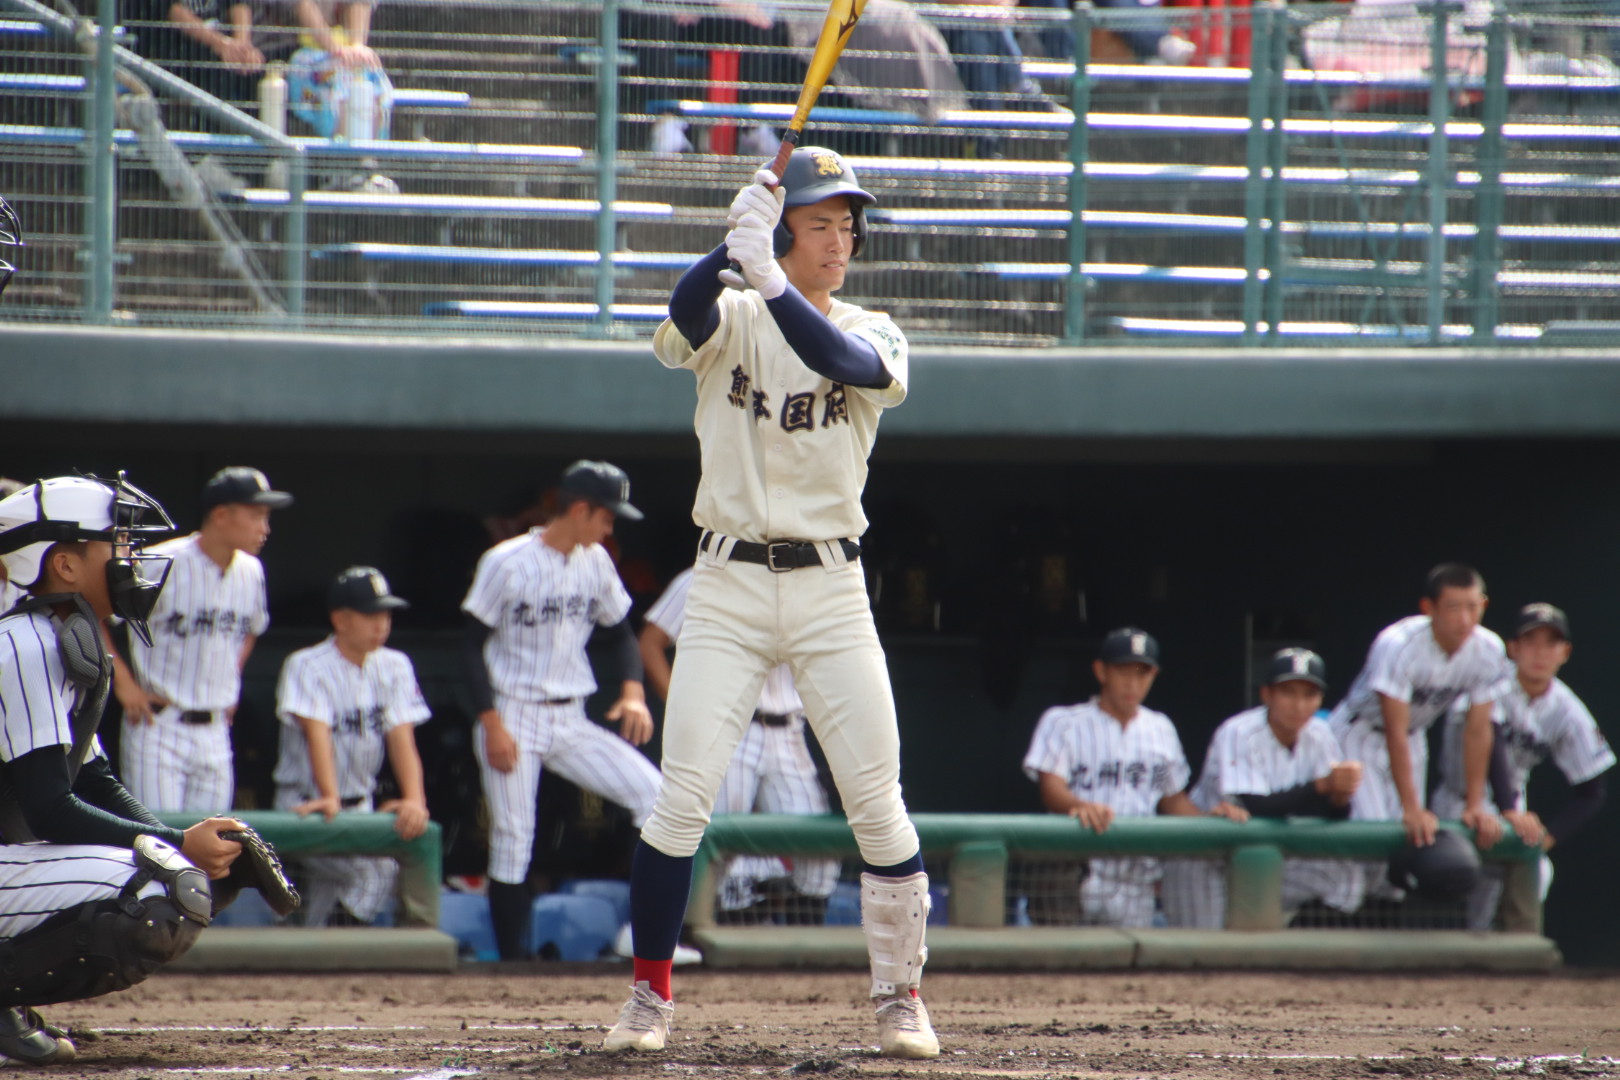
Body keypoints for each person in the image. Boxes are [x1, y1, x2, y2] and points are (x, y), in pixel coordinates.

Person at [604, 146, 938, 1060]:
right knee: (680, 802)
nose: (842, 238)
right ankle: (649, 997)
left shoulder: (875, 326)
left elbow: (839, 359)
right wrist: (723, 252)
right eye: (822, 222)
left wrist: (765, 272)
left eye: (847, 223)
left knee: (877, 802)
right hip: (728, 582)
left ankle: (900, 997)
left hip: (833, 583)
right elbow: (681, 320)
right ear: (784, 229)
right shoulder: (735, 311)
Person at [0, 474, 245, 1065]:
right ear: (63, 564)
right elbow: (51, 807)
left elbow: (94, 781)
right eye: (114, 543)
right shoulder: (23, 642)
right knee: (156, 889)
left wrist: (181, 844)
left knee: (175, 872)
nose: (130, 558)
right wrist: (173, 846)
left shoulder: (59, 634)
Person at [462, 460, 662, 961]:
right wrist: (491, 723)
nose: (610, 528)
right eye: (607, 517)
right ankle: (514, 967)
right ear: (580, 509)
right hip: (512, 712)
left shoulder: (595, 561)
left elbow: (621, 633)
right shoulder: (505, 561)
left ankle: (644, 937)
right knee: (513, 841)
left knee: (657, 797)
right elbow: (469, 645)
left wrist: (633, 691)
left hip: (569, 718)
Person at [639, 566, 838, 926]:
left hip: (789, 729)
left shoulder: (807, 576)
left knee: (819, 849)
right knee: (717, 845)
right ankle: (711, 952)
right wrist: (682, 708)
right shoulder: (707, 572)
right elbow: (651, 640)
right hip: (731, 727)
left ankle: (801, 956)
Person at [1022, 627, 1241, 929]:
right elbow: (1051, 787)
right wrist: (1078, 804)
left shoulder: (1161, 729)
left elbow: (1172, 799)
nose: (1133, 682)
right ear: (1101, 672)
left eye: (1143, 673)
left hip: (1135, 881)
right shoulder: (1063, 722)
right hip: (1078, 871)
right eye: (1124, 671)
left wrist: (1209, 819)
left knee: (1125, 971)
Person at [109, 466, 294, 814]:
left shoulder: (252, 571)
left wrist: (230, 676)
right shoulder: (160, 561)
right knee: (160, 846)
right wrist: (124, 685)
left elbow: (252, 629)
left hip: (215, 731)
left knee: (208, 853)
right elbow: (96, 614)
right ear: (221, 515)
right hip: (159, 724)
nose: (264, 528)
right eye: (256, 516)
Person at [1327, 563, 1508, 908]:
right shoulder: (1398, 644)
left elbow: (1479, 728)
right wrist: (1411, 807)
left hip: (1413, 736)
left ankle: (1381, 941)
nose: (1465, 619)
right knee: (1378, 836)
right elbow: (1393, 728)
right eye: (1454, 608)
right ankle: (1331, 923)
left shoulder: (1488, 649)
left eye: (1473, 607)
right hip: (1359, 733)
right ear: (1429, 608)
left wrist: (1475, 804)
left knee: (1405, 848)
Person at [1433, 603, 1614, 931]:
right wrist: (1508, 811)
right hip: (1460, 801)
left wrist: (1548, 837)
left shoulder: (1568, 710)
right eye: (1531, 642)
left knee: (1538, 872)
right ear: (1513, 648)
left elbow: (1592, 792)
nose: (1540, 653)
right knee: (1459, 882)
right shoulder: (1488, 682)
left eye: (1551, 643)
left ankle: (1509, 970)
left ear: (1565, 652)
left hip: (1513, 808)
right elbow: (1492, 743)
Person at [1161, 648, 1366, 929]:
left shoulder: (1320, 734)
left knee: (1343, 877)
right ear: (1266, 694)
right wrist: (1323, 785)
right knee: (1204, 953)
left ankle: (1294, 959)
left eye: (1309, 695)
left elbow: (1333, 814)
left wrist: (1341, 797)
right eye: (1289, 692)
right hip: (1206, 860)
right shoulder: (1239, 732)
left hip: (1270, 857)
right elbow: (1253, 807)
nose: (1299, 705)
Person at [272, 566, 430, 927]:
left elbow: (401, 737)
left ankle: (317, 966)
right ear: (340, 619)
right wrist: (329, 794)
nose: (382, 624)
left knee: (327, 903)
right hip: (305, 805)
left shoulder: (396, 665)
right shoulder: (306, 664)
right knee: (374, 874)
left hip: (360, 806)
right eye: (371, 614)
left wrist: (415, 800)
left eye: (386, 614)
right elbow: (317, 733)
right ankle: (340, 963)